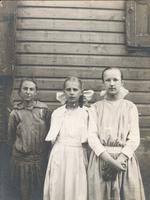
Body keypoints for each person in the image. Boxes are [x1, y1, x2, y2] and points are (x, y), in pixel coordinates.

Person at [88, 67, 145, 200]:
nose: (112, 83)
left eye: (115, 79)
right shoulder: (95, 108)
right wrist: (109, 162)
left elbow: (134, 138)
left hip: (124, 161)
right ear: (103, 83)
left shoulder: (130, 107)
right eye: (108, 80)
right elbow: (92, 137)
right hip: (101, 161)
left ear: (122, 83)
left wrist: (117, 163)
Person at [43, 76, 93, 200]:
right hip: (59, 155)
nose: (71, 93)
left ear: (81, 92)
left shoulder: (87, 113)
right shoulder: (57, 113)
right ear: (64, 92)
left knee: (77, 188)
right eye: (68, 89)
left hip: (78, 155)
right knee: (58, 186)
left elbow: (91, 139)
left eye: (75, 89)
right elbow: (53, 138)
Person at [8, 79, 51, 200]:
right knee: (23, 193)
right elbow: (10, 137)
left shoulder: (44, 110)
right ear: (20, 92)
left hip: (39, 160)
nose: (28, 92)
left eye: (31, 89)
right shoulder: (15, 113)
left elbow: (49, 133)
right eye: (25, 89)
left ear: (36, 92)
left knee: (40, 192)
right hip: (21, 161)